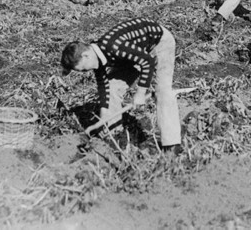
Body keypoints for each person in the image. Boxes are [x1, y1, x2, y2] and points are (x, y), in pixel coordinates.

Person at [60, 17, 181, 151]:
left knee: (162, 90)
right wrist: (104, 114)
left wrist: (140, 93)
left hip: (158, 43)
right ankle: (114, 138)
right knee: (112, 87)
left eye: (83, 69)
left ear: (86, 55)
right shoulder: (98, 58)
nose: (85, 72)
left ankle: (172, 144)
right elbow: (104, 86)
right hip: (134, 53)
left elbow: (147, 61)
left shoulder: (114, 46)